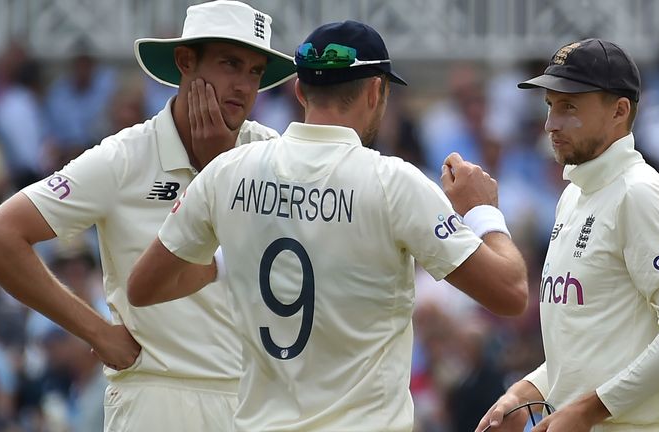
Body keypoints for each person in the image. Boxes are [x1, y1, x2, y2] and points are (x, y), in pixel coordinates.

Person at [128, 20, 529, 431]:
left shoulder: (226, 170)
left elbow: (143, 288)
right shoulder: (394, 182)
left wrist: (236, 259)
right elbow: (511, 294)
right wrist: (483, 212)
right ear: (376, 92)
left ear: (300, 91)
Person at [0, 1, 296, 431]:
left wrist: (220, 171)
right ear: (184, 61)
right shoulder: (123, 159)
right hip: (155, 398)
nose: (244, 86)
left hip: (256, 401)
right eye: (230, 63)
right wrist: (99, 333)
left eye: (255, 71)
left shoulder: (274, 154)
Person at [477, 38, 659, 432]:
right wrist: (524, 391)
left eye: (569, 106)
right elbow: (589, 348)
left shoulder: (639, 194)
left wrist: (589, 410)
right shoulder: (573, 195)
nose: (551, 123)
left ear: (620, 110)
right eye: (550, 105)